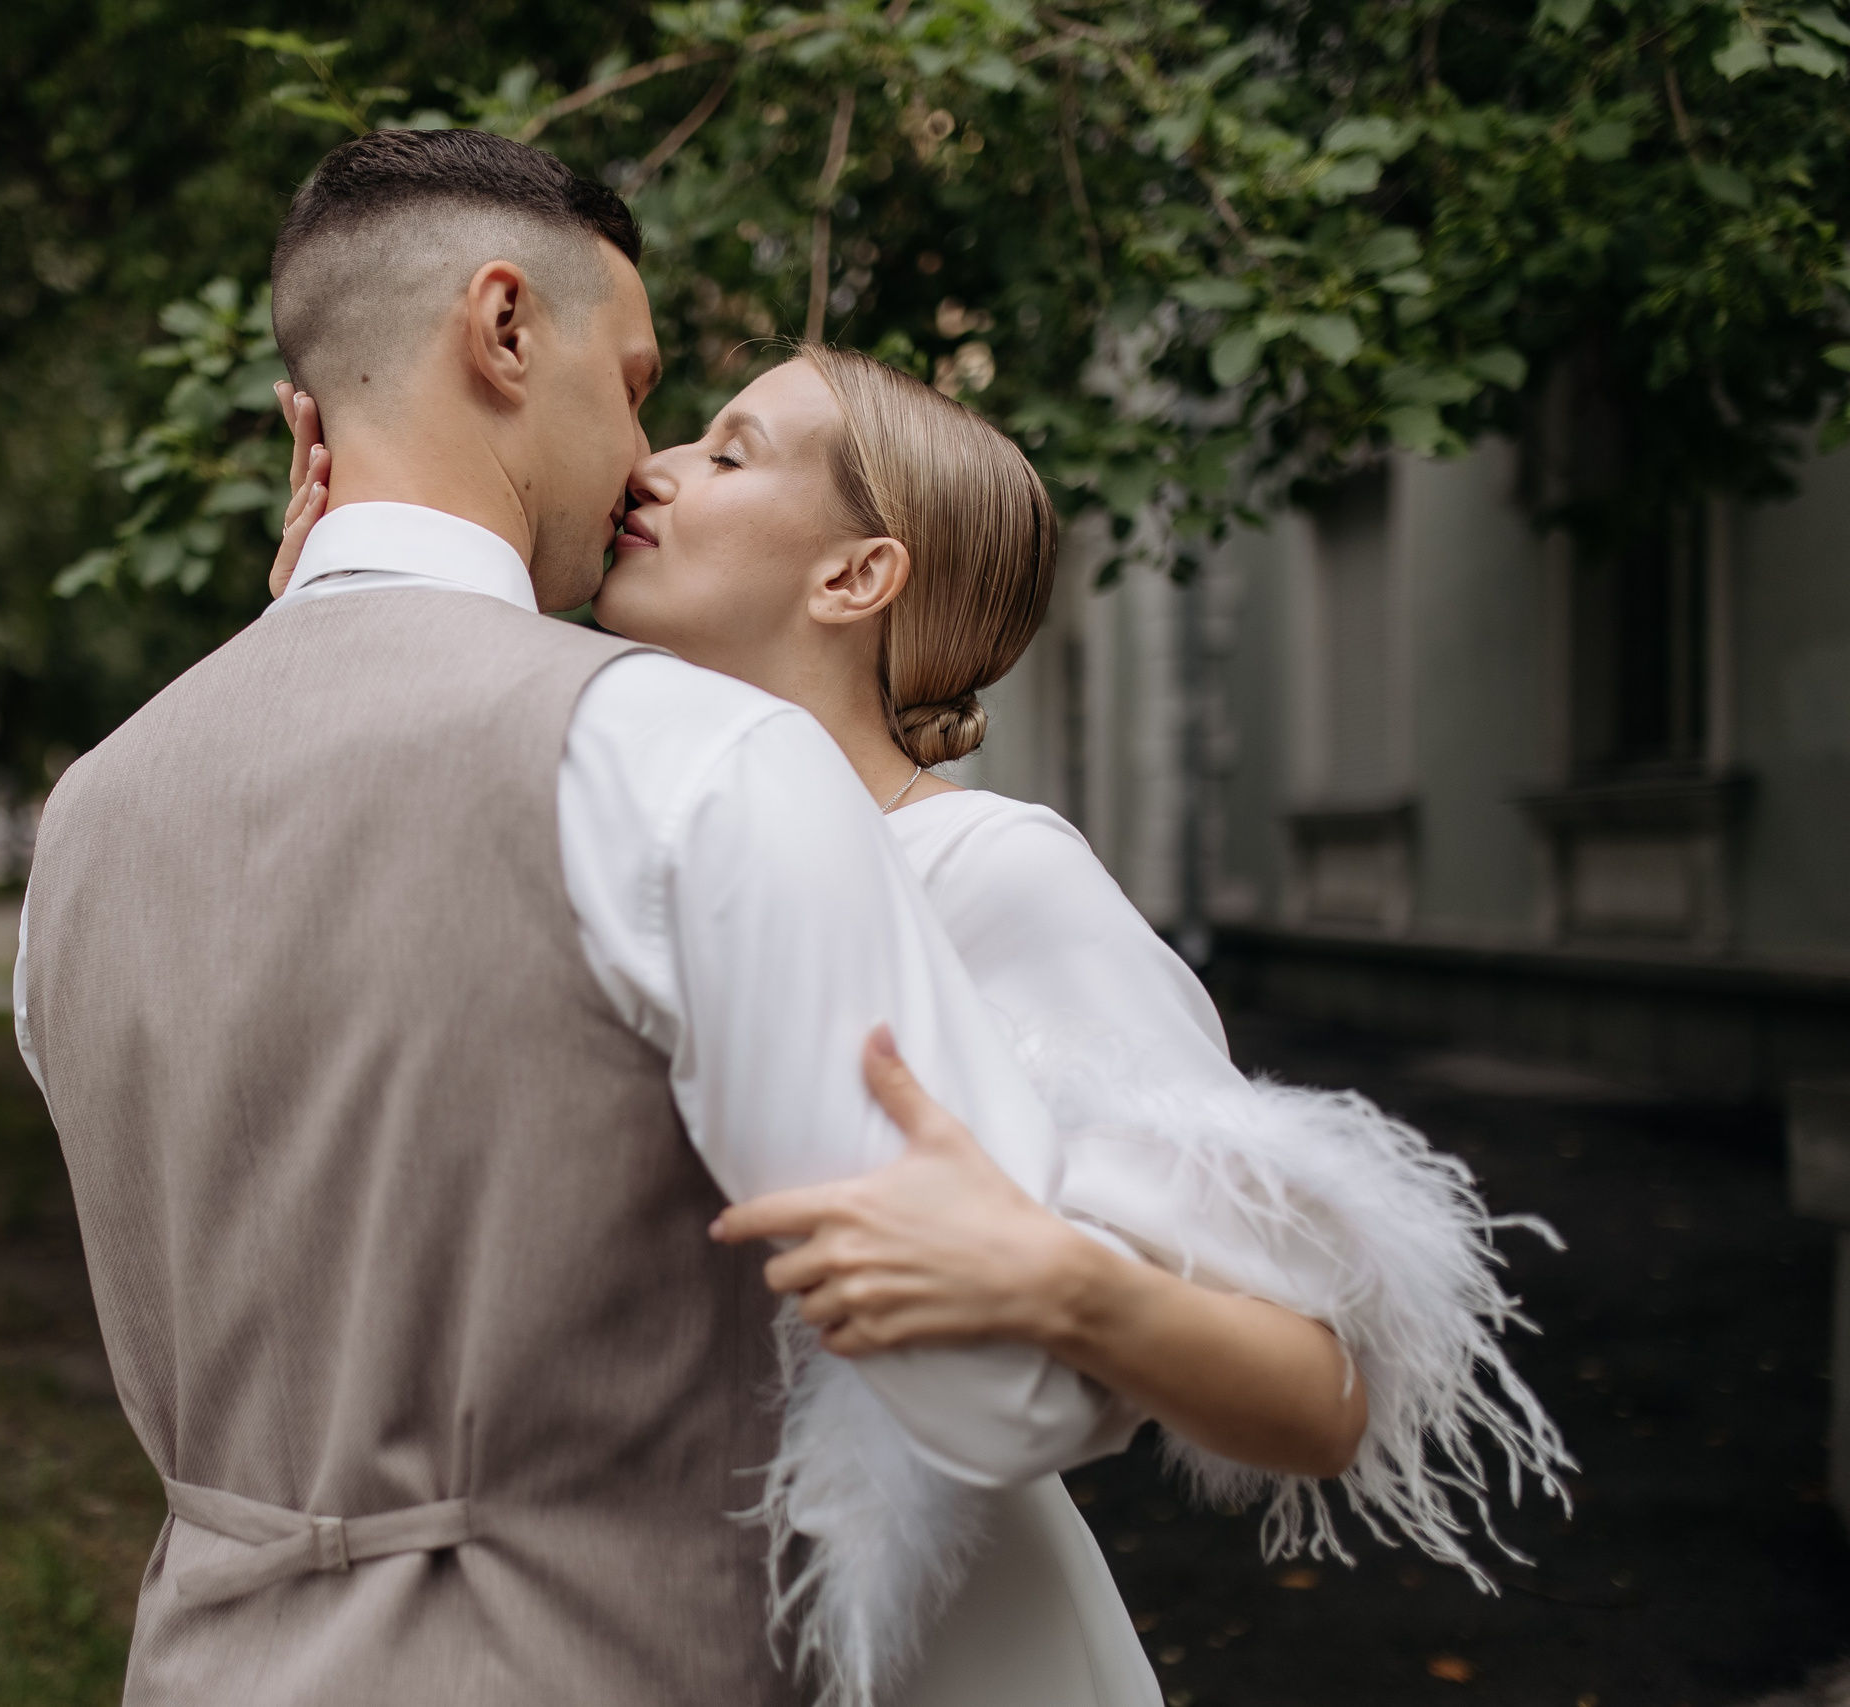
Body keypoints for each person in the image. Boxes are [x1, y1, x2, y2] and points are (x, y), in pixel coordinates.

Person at [17, 130, 1144, 1707]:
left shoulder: (90, 819)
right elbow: (1007, 1386)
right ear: (501, 330)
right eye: (633, 384)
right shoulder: (690, 760)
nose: (643, 460)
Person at [266, 345, 1569, 1705]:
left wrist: (1066, 1283)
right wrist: (327, 652)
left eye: (727, 452)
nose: (651, 466)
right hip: (580, 1632)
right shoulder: (594, 824)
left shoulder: (994, 873)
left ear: (853, 577)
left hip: (924, 1651)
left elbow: (1320, 1392)